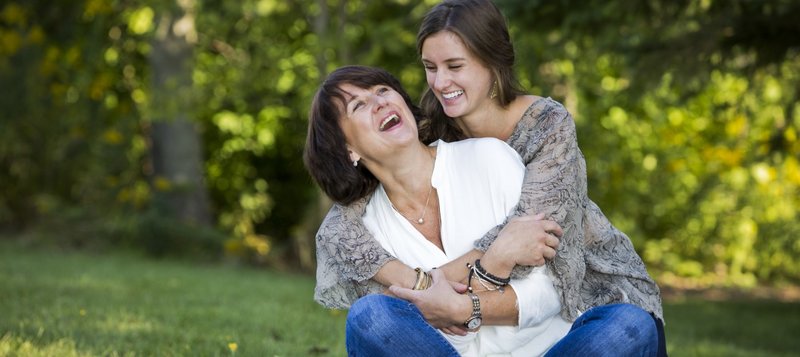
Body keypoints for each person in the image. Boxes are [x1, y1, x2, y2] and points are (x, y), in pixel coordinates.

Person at [312, 0, 667, 356]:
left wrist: (451, 299)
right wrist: (488, 264)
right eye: (430, 67)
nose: (440, 82)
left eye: (455, 66)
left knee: (630, 326)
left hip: (590, 297)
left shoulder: (530, 135)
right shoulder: (433, 125)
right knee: (370, 317)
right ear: (348, 151)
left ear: (491, 62)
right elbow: (417, 327)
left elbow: (545, 259)